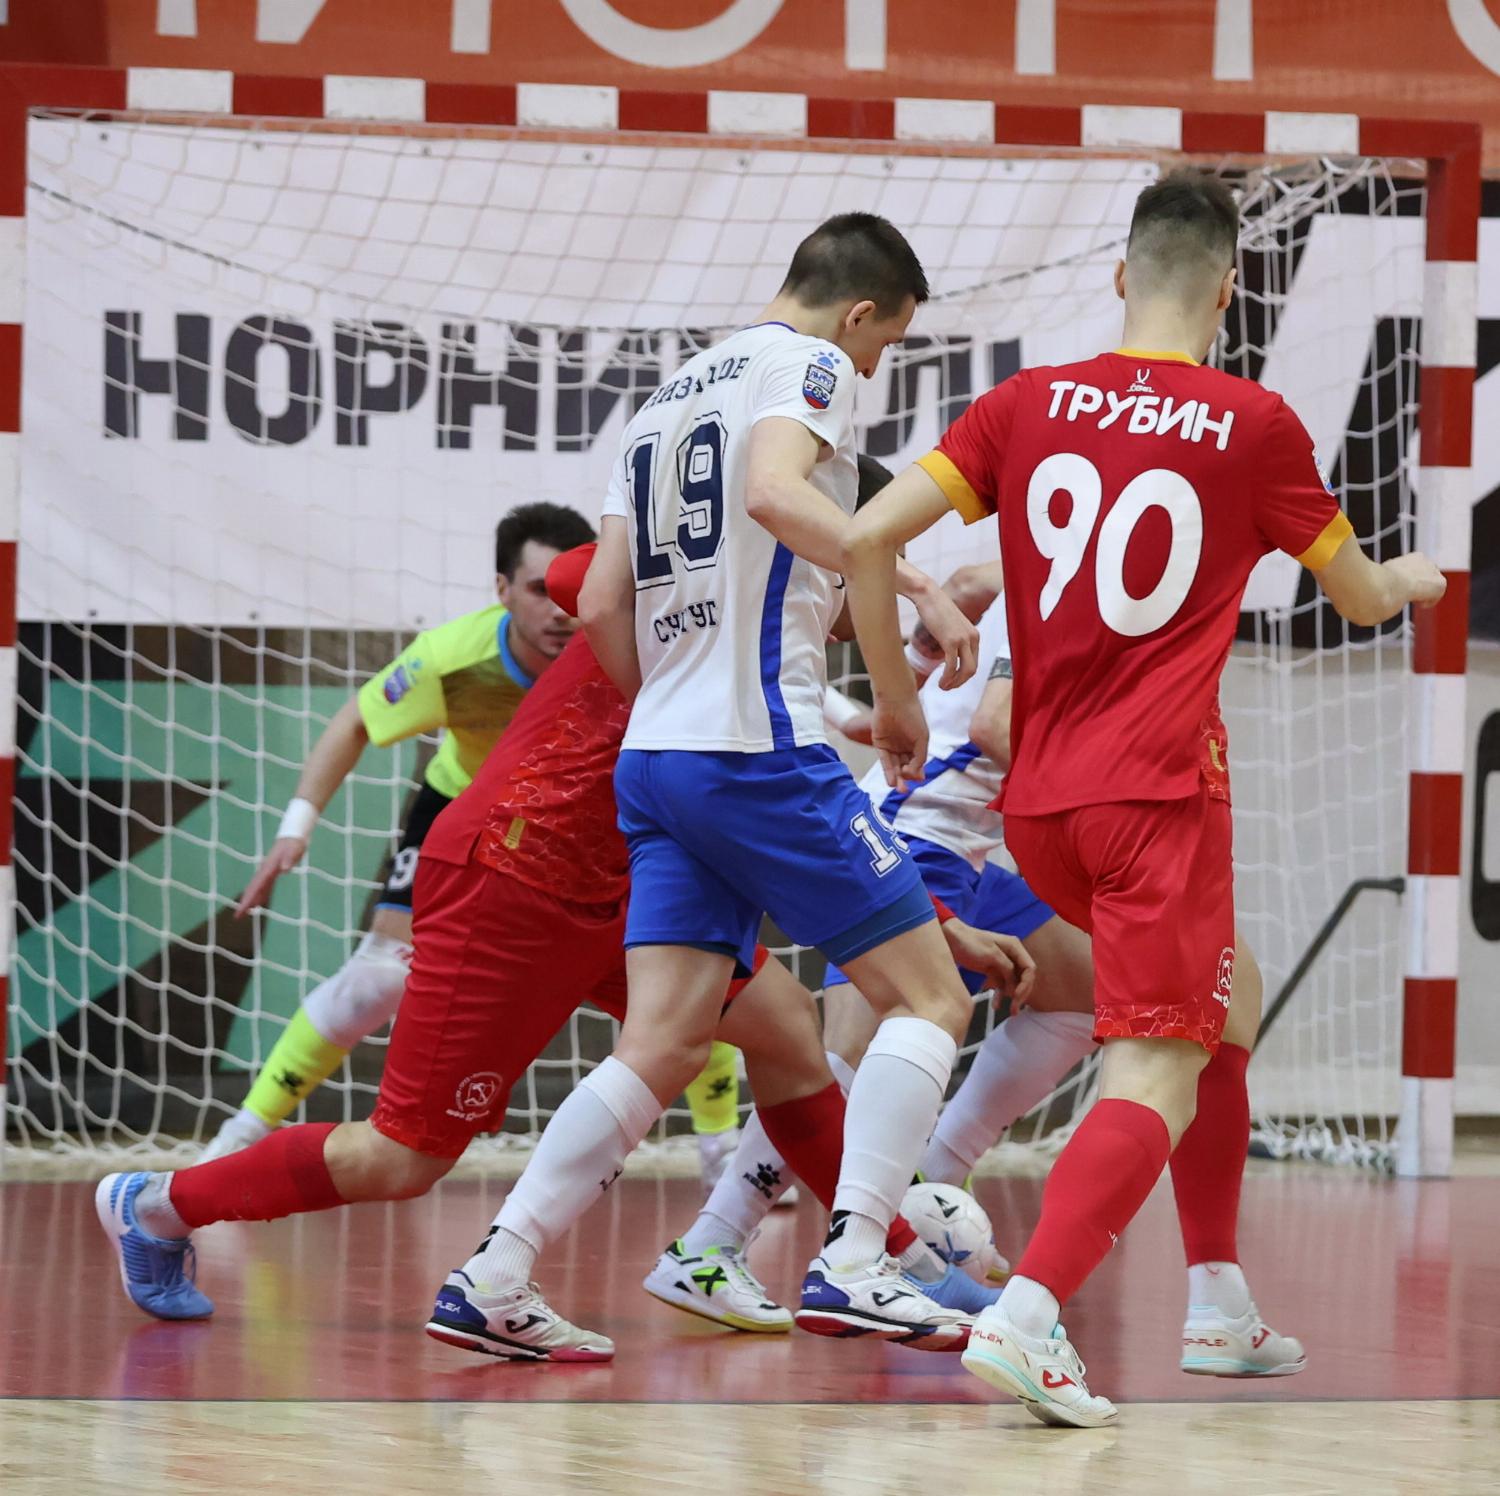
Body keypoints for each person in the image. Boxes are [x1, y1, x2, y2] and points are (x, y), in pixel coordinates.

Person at [841, 169, 1445, 1425]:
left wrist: (896, 700)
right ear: (1228, 293)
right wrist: (1416, 577)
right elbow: (1357, 599)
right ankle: (1027, 1313)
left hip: (1038, 804)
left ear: (1122, 274)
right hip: (1155, 794)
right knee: (1157, 1065)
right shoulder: (1254, 422)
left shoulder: (1021, 405)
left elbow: (865, 539)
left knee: (1231, 994)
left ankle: (1218, 1293)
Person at [95, 547, 1029, 1359]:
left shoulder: (774, 654)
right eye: (865, 560)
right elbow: (583, 575)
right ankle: (158, 1204)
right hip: (516, 873)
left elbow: (823, 787)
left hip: (622, 888)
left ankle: (891, 1261)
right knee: (402, 1158)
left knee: (784, 1028)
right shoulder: (703, 579)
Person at [493, 209, 1008, 1348]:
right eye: (883, 345)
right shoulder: (807, 365)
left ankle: (497, 1268)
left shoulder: (664, 398)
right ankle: (857, 1260)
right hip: (758, 746)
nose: (869, 371)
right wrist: (912, 608)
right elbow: (780, 493)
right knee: (931, 998)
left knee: (661, 1041)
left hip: (660, 758)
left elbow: (600, 600)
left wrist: (669, 708)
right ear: (858, 312)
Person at [202, 502, 594, 1161]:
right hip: (462, 809)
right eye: (539, 590)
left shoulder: (624, 648)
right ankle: (240, 1135)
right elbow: (355, 721)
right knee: (381, 977)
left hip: (580, 817)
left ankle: (720, 1150)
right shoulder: (452, 659)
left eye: (571, 590)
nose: (560, 610)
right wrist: (295, 829)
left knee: (682, 964)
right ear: (502, 590)